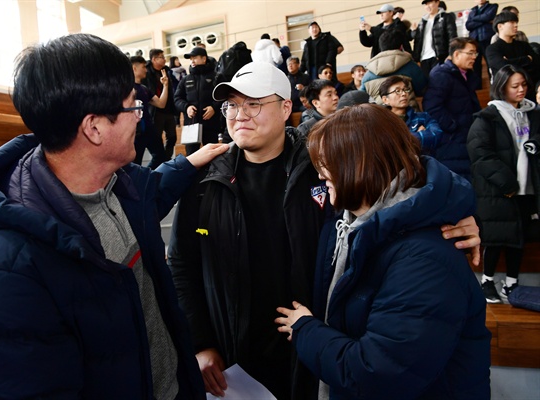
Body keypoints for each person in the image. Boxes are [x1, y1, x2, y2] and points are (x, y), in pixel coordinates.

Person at [167, 61, 483, 399]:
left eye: (253, 103)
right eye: (231, 104)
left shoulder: (327, 165)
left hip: (319, 350)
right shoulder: (203, 180)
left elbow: (397, 192)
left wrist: (448, 215)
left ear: (286, 107)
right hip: (236, 356)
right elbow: (182, 266)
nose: (239, 114)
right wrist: (200, 342)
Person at [0, 33, 230, 399]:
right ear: (94, 127)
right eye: (132, 107)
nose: (140, 117)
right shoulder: (9, 270)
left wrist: (189, 163)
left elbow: (150, 193)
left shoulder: (118, 184)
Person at [275, 104, 491, 400]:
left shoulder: (425, 259)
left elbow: (377, 374)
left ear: (360, 163)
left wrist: (305, 330)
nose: (319, 175)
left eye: (327, 163)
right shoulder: (347, 221)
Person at [467, 65, 540, 303]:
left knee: (519, 235)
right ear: (502, 87)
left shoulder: (533, 113)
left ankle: (512, 282)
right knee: (496, 237)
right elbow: (481, 154)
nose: (521, 90)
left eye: (524, 85)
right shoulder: (487, 117)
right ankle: (488, 280)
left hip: (527, 186)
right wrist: (507, 184)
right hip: (499, 189)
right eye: (514, 86)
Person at [423, 37, 481, 180]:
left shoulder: (465, 75)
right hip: (453, 140)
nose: (474, 57)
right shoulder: (441, 75)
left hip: (466, 136)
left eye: (475, 54)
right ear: (456, 54)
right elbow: (432, 107)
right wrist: (454, 126)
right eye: (471, 53)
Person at [360, 29, 428, 107]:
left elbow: (360, 98)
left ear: (381, 47)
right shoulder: (411, 66)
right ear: (401, 47)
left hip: (381, 116)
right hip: (409, 115)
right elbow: (422, 89)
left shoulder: (368, 74)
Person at [174, 46, 222, 155]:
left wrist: (214, 107)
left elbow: (224, 96)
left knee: (212, 155)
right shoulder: (186, 79)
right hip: (191, 124)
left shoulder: (217, 77)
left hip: (211, 124)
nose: (192, 61)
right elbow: (177, 99)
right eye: (191, 59)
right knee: (191, 157)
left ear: (204, 59)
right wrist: (187, 107)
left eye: (195, 58)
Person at [380, 75, 442, 154]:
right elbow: (384, 147)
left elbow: (437, 135)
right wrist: (419, 135)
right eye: (397, 91)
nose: (403, 94)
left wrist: (401, 140)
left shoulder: (423, 117)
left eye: (405, 90)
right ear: (385, 100)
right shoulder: (381, 122)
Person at [486, 11, 540, 90]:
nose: (516, 25)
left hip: (528, 88)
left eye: (516, 22)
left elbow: (536, 63)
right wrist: (527, 59)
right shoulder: (492, 49)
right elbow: (503, 67)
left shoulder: (524, 45)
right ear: (500, 26)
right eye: (512, 22)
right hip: (504, 91)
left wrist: (509, 61)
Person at [130, 55, 168, 168]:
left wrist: (165, 85)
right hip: (135, 133)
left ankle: (148, 176)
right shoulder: (125, 89)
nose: (146, 69)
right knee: (135, 163)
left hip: (149, 129)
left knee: (161, 156)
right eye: (143, 67)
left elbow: (161, 104)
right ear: (134, 68)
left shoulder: (144, 89)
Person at [142, 48, 178, 160]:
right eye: (161, 57)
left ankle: (166, 160)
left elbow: (174, 89)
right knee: (157, 139)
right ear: (154, 59)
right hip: (155, 110)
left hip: (168, 109)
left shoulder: (167, 71)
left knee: (172, 137)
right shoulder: (146, 72)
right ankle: (160, 161)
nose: (164, 59)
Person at [411, 0, 458, 77]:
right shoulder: (422, 21)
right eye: (426, 4)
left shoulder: (446, 17)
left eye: (430, 3)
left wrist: (451, 54)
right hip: (424, 59)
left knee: (440, 81)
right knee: (427, 84)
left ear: (437, 2)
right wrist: (416, 59)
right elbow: (418, 41)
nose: (427, 6)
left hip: (439, 57)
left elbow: (452, 37)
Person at [465, 0, 498, 88]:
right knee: (476, 65)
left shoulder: (493, 6)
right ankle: (477, 88)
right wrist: (484, 20)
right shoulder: (472, 11)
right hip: (475, 41)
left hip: (487, 39)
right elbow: (468, 25)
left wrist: (475, 18)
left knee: (490, 63)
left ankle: (494, 85)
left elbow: (487, 16)